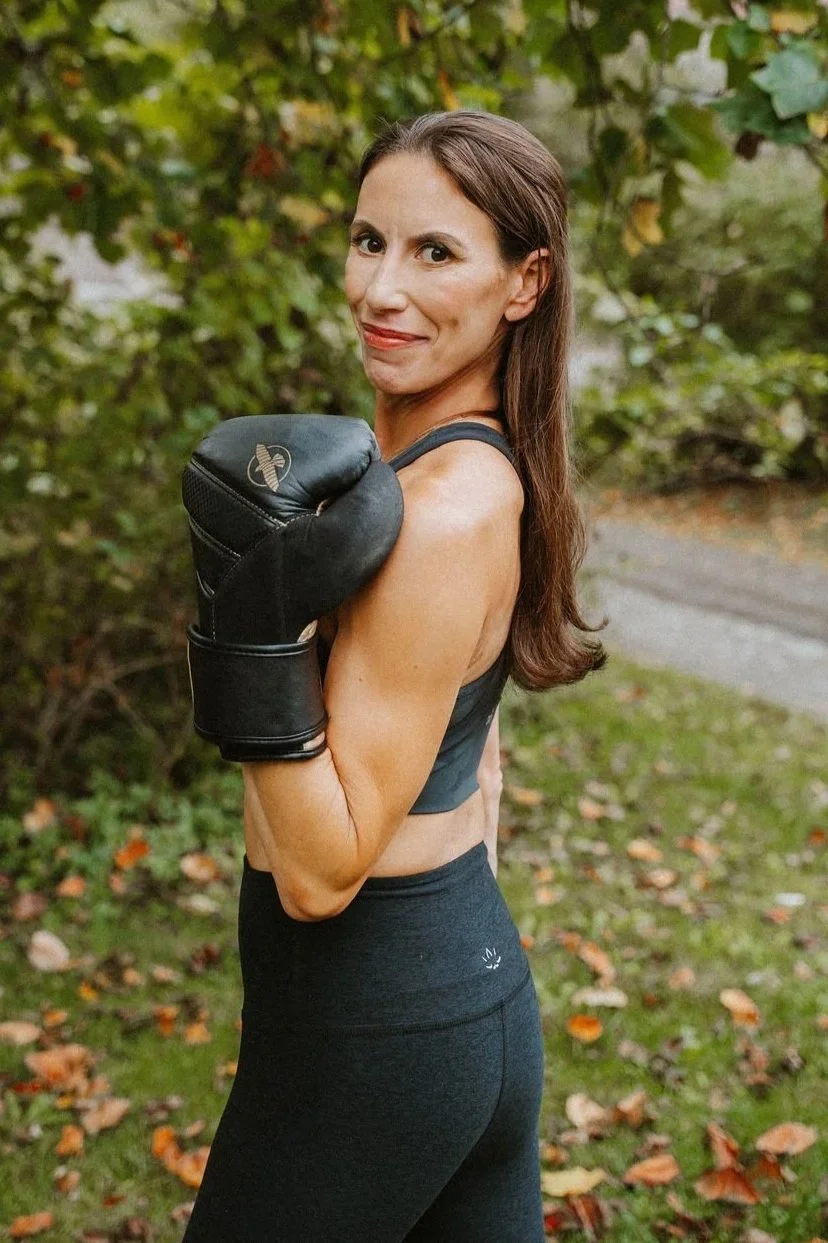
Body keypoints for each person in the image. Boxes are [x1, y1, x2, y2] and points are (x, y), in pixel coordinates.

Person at [180, 109, 607, 1243]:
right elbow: (484, 771)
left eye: (435, 253)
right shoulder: (461, 473)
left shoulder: (438, 514)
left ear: (525, 283)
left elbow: (322, 875)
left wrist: (250, 636)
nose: (382, 288)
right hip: (451, 996)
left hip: (373, 1030)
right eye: (370, 240)